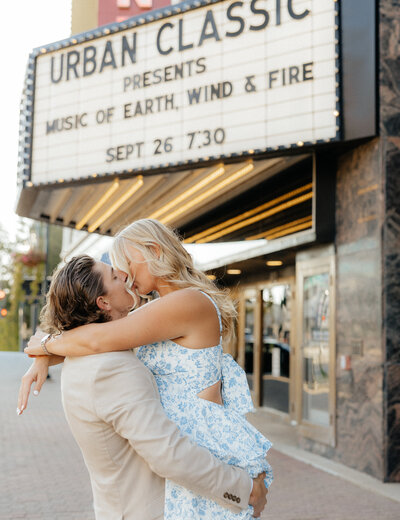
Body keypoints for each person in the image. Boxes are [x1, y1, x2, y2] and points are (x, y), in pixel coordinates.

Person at [24, 219, 273, 519]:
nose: (126, 277)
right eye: (118, 271)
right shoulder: (155, 310)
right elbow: (96, 337)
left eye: (127, 263)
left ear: (154, 250)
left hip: (201, 456)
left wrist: (45, 348)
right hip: (186, 463)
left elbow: (98, 338)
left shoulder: (188, 302)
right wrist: (44, 352)